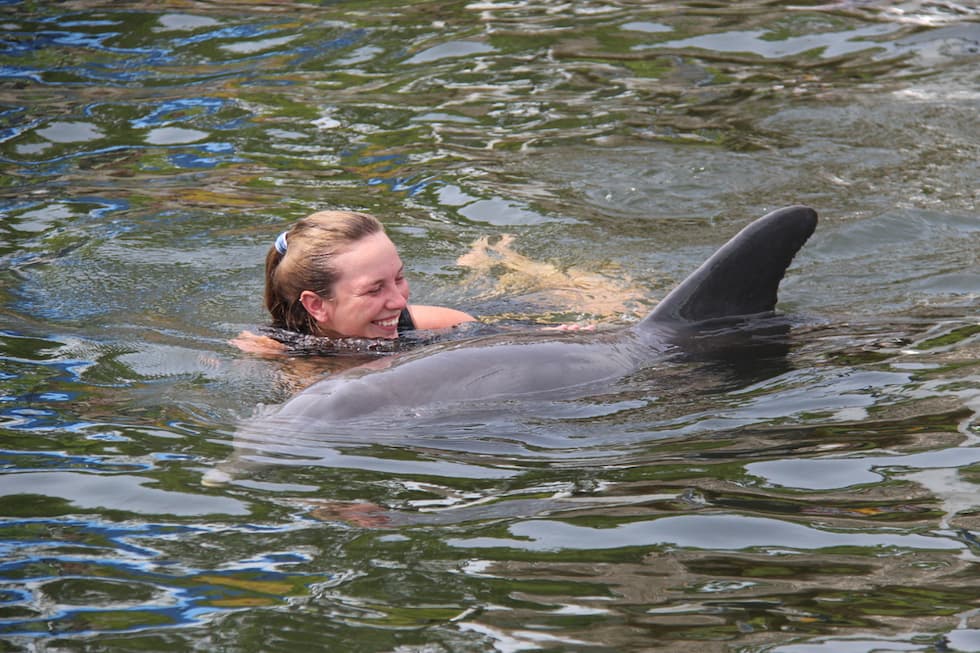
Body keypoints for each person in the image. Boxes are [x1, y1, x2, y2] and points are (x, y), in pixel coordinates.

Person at [231, 210, 475, 356]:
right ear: (316, 305)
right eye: (374, 289)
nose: (400, 300)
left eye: (399, 278)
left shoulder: (442, 325)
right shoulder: (274, 350)